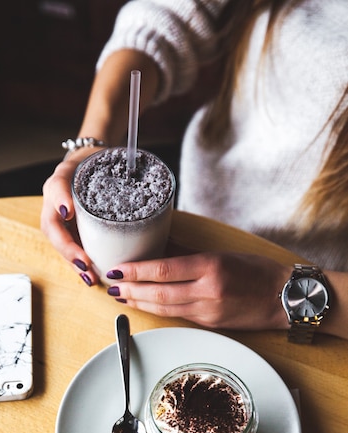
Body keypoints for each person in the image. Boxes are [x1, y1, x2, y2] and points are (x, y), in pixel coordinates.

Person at [41, 0, 348, 341]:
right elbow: (166, 15)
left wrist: (279, 297)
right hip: (193, 223)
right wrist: (88, 147)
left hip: (314, 305)